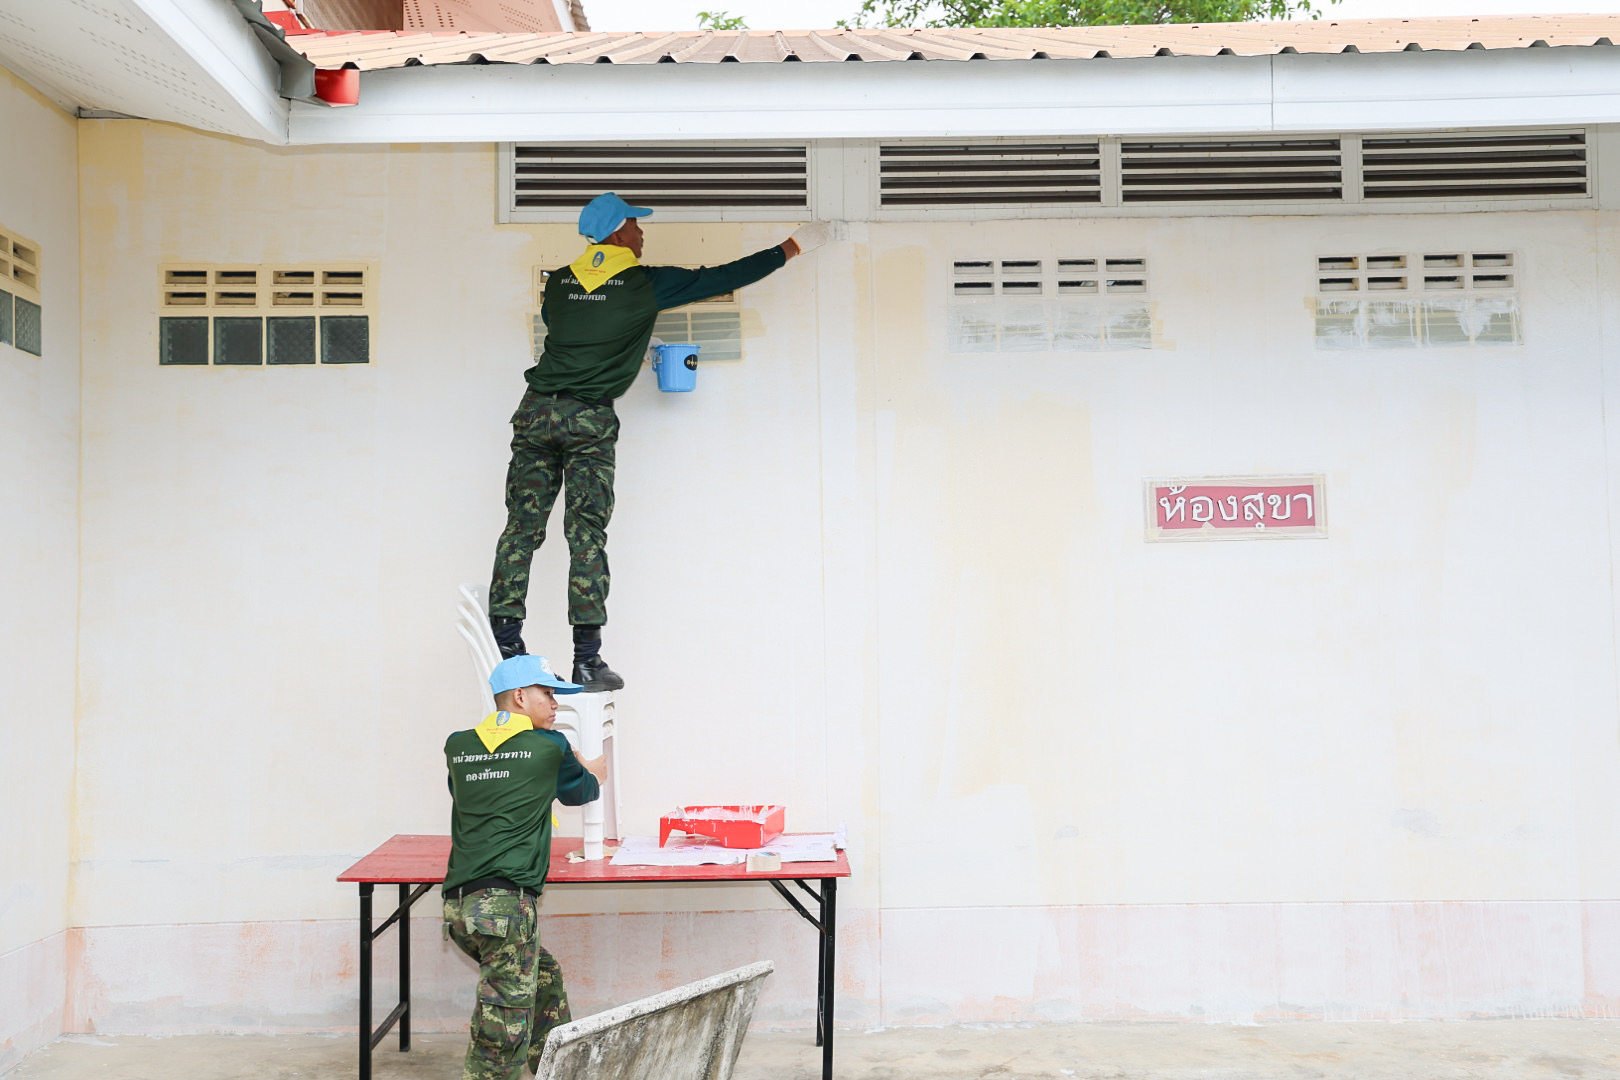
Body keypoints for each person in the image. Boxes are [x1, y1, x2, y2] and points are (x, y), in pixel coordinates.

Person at [488, 191, 836, 689]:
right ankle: (587, 661)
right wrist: (791, 247)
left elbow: (577, 329)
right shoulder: (642, 284)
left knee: (521, 529)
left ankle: (507, 646)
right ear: (617, 233)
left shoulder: (560, 284)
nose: (641, 232)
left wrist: (631, 337)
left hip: (535, 413)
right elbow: (723, 277)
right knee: (585, 534)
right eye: (635, 224)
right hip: (588, 421)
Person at [442, 653, 607, 1080]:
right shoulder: (550, 746)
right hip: (505, 908)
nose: (555, 704)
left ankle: (559, 1070)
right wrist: (594, 770)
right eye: (547, 693)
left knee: (543, 977)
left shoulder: (458, 746)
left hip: (460, 907)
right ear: (519, 696)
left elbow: (474, 793)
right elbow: (581, 792)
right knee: (500, 1037)